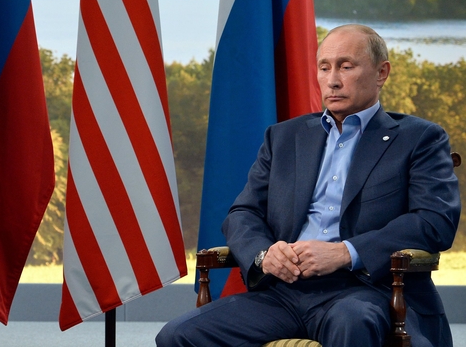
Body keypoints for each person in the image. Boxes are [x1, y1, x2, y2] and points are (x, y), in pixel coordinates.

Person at [157, 24, 461, 347]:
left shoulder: (418, 139)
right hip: (283, 292)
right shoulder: (284, 138)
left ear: (381, 73)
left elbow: (434, 221)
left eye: (346, 66)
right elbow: (242, 213)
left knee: (353, 323)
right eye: (324, 67)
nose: (332, 80)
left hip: (365, 291)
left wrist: (346, 253)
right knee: (177, 336)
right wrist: (265, 254)